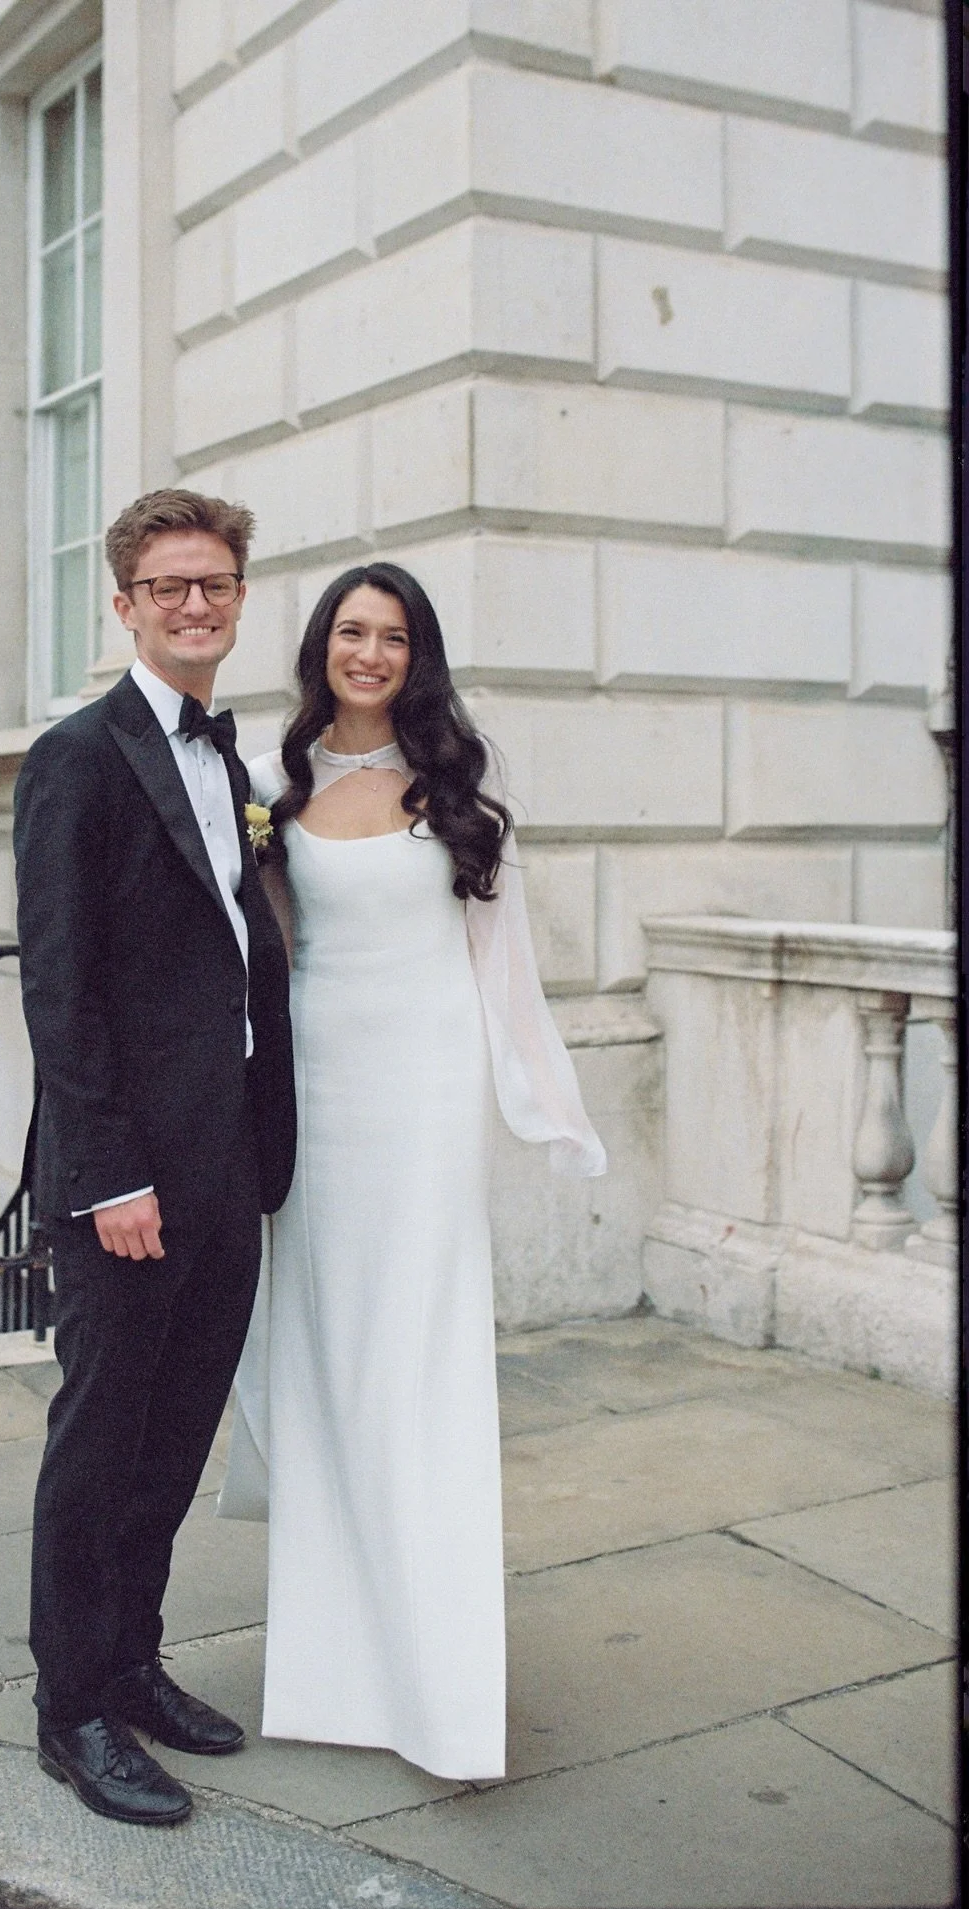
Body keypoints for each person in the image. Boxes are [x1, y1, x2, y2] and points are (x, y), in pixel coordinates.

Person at [218, 560, 605, 1782]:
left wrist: (547, 1107)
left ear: (415, 654)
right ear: (321, 648)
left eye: (392, 636)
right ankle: (335, 1676)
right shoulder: (273, 786)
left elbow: (504, 967)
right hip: (313, 1106)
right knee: (324, 1363)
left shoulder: (456, 790)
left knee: (418, 1370)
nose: (370, 653)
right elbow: (260, 956)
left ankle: (440, 1694)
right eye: (350, 631)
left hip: (424, 1107)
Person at [13, 488, 296, 1826]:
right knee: (101, 1442)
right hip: (127, 1183)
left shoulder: (230, 765)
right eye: (173, 586)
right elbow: (61, 994)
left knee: (175, 1436)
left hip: (227, 1163)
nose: (199, 605)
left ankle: (133, 1664)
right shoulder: (77, 758)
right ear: (122, 604)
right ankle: (70, 1709)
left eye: (220, 585)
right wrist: (109, 1172)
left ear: (240, 598)